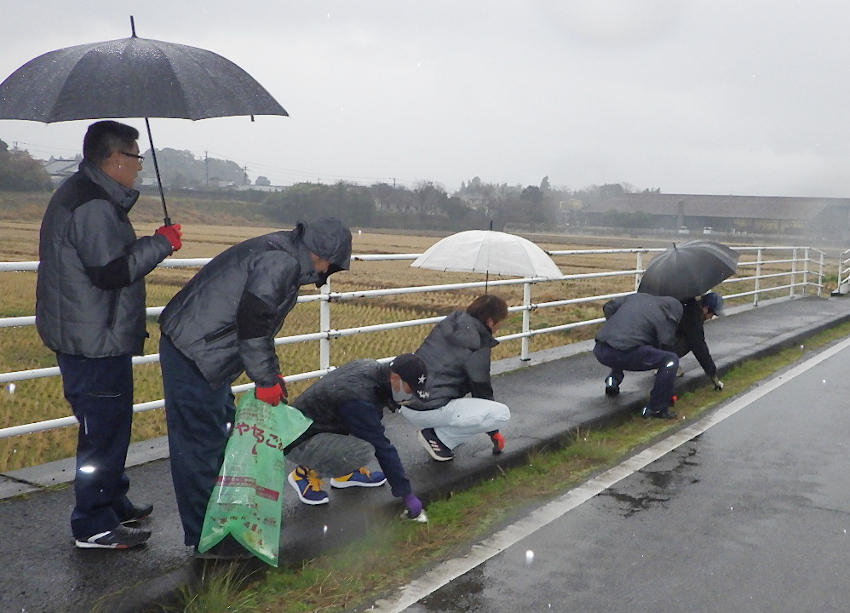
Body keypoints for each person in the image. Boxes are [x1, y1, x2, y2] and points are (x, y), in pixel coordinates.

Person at [158, 217, 351, 558]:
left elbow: (255, 323)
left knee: (215, 437)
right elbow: (254, 324)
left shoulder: (282, 251)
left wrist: (270, 374)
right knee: (199, 446)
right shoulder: (282, 262)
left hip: (201, 348)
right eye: (331, 267)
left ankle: (217, 526)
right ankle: (208, 540)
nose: (325, 275)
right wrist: (265, 380)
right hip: (195, 350)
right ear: (321, 254)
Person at [35, 120, 182, 549]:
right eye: (135, 158)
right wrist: (161, 243)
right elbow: (110, 270)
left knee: (109, 425)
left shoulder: (84, 193)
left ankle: (112, 501)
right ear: (115, 158)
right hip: (94, 340)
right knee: (103, 431)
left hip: (88, 333)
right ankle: (93, 523)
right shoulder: (93, 204)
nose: (139, 167)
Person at [284, 353, 429, 521]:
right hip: (297, 439)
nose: (409, 396)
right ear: (395, 379)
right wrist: (406, 494)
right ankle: (304, 474)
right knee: (363, 450)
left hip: (314, 425)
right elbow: (383, 448)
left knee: (364, 432)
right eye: (410, 390)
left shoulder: (371, 368)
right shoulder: (360, 399)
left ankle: (344, 475)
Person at [402, 294, 511, 462]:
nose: (500, 326)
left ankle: (437, 432)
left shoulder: (450, 322)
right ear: (490, 321)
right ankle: (439, 438)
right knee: (500, 413)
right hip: (427, 408)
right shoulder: (477, 343)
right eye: (500, 321)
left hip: (404, 400)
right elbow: (481, 389)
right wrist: (494, 432)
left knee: (452, 401)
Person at [593, 292, 683, 419]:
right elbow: (666, 344)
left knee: (626, 344)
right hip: (624, 354)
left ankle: (612, 382)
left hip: (600, 349)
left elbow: (608, 307)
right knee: (671, 360)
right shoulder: (666, 316)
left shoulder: (637, 297)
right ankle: (655, 408)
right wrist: (670, 392)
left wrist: (616, 329)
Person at [674, 292, 725, 390]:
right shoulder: (692, 316)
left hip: (658, 337)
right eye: (712, 314)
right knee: (690, 343)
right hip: (659, 343)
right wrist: (714, 377)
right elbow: (700, 347)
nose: (711, 317)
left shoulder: (687, 305)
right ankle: (667, 364)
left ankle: (664, 362)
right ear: (705, 308)